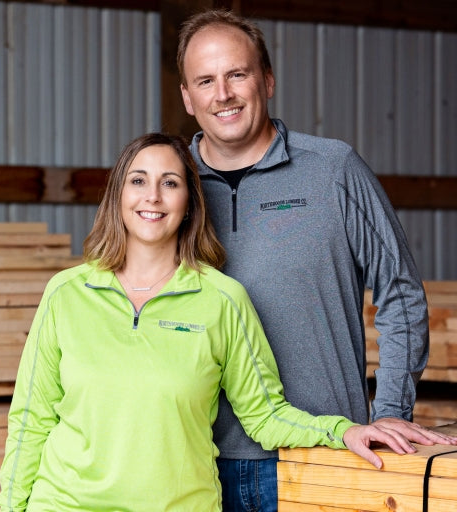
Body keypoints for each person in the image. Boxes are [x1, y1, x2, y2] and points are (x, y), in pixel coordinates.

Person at [0, 132, 418, 512]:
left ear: (190, 202)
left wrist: (344, 431)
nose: (153, 196)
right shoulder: (66, 294)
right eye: (138, 180)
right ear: (117, 195)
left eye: (170, 183)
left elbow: (266, 415)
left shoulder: (221, 301)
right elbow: (31, 420)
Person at [177, 9, 457, 512]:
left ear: (267, 80)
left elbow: (400, 290)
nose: (223, 94)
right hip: (193, 461)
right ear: (187, 96)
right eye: (205, 80)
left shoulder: (333, 169)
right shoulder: (168, 186)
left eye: (237, 74)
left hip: (324, 452)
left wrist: (391, 410)